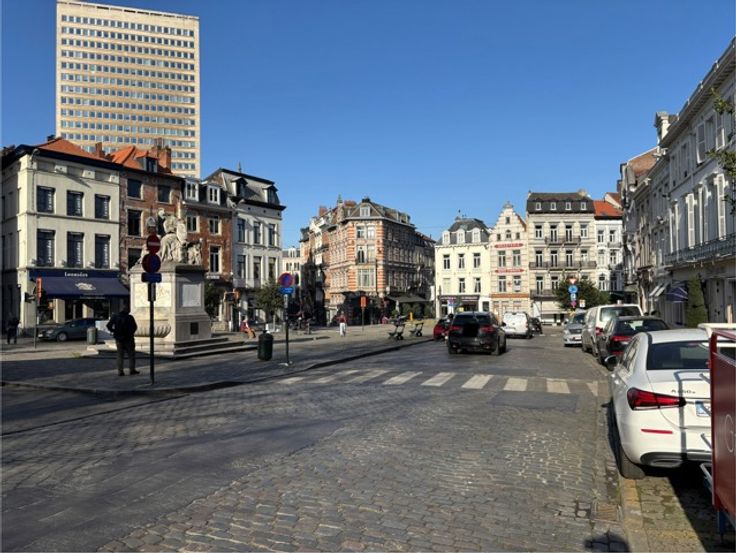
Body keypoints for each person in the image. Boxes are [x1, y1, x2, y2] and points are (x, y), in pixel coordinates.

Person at [107, 305, 139, 376]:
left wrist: (114, 331)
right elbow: (135, 327)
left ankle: (120, 371)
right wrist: (131, 333)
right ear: (127, 310)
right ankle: (132, 369)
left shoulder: (115, 317)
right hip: (129, 339)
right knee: (131, 355)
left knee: (120, 355)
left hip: (119, 338)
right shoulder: (130, 317)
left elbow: (108, 326)